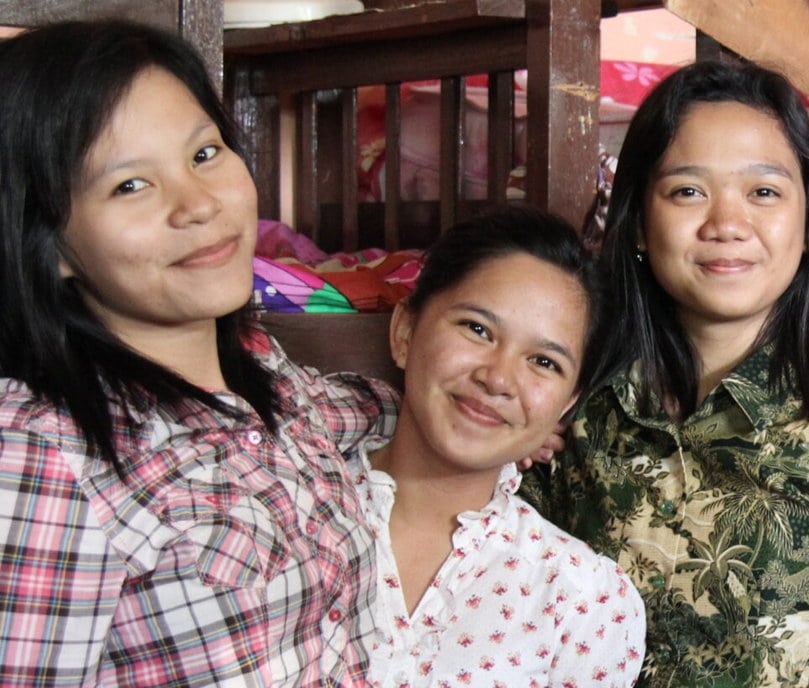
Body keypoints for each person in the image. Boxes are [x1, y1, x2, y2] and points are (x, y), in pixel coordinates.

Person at [0, 21, 396, 684]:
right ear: (50, 242)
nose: (199, 205)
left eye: (205, 154)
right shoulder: (44, 453)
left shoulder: (267, 376)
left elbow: (364, 407)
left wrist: (474, 407)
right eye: (130, 185)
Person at [521, 61, 809, 687]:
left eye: (763, 192)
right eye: (688, 191)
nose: (727, 225)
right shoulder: (575, 411)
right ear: (637, 223)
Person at [356, 206, 645, 686]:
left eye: (544, 362)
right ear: (404, 331)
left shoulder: (582, 600)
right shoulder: (296, 508)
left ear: (567, 403)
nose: (497, 379)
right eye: (477, 329)